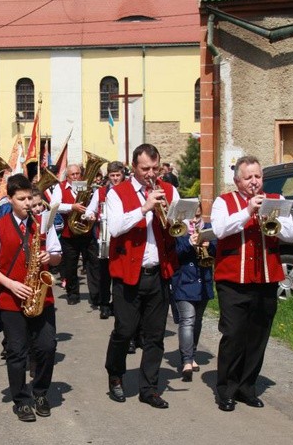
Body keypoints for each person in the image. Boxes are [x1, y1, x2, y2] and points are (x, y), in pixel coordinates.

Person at [211, 155, 293, 412]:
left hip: (266, 278)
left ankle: (246, 387)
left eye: (257, 176)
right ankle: (226, 389)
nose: (254, 182)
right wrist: (248, 211)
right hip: (233, 281)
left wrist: (275, 218)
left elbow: (292, 234)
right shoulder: (223, 202)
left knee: (258, 336)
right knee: (234, 334)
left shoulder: (276, 200)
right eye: (248, 177)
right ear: (237, 180)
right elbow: (219, 230)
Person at [0, 174, 62, 422]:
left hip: (41, 296)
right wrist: (11, 285)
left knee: (47, 347)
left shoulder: (43, 224)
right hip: (11, 298)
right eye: (21, 199)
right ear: (10, 199)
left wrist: (50, 258)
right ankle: (21, 400)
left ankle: (40, 392)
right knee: (17, 351)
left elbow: (58, 256)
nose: (27, 203)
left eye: (30, 198)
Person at [104, 143, 179, 409]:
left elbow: (177, 225)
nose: (151, 173)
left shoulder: (169, 190)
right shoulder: (117, 193)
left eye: (154, 168)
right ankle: (115, 375)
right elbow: (114, 228)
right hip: (127, 274)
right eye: (145, 168)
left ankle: (149, 388)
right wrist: (145, 208)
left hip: (158, 272)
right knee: (124, 331)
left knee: (155, 334)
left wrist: (186, 222)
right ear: (134, 167)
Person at [171, 201, 216, 382]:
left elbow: (217, 251)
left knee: (197, 321)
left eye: (198, 216)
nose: (196, 219)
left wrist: (208, 246)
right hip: (184, 280)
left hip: (203, 280)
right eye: (193, 216)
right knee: (187, 320)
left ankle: (193, 354)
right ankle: (187, 361)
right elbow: (175, 254)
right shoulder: (178, 229)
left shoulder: (209, 227)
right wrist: (190, 243)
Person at [51, 163, 100, 306]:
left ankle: (96, 295)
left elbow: (91, 205)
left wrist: (90, 213)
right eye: (73, 174)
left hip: (86, 231)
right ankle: (72, 294)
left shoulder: (83, 185)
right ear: (67, 176)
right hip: (69, 234)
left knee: (93, 264)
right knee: (70, 266)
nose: (76, 176)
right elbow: (54, 205)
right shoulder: (61, 188)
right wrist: (72, 207)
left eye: (78, 173)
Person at [85, 161, 125, 320]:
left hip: (121, 237)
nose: (115, 179)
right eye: (112, 175)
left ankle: (117, 304)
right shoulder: (100, 192)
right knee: (104, 273)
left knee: (119, 274)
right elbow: (90, 209)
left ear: (123, 174)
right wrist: (90, 215)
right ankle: (104, 304)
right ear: (108, 176)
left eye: (118, 175)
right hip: (103, 237)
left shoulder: (127, 191)